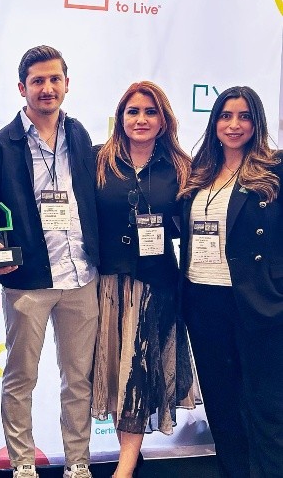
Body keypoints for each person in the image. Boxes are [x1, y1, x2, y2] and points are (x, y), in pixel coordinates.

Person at [0, 45, 99, 478]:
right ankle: (22, 463)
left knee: (78, 379)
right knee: (21, 377)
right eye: (38, 81)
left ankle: (78, 462)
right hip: (27, 279)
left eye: (54, 79)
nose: (47, 88)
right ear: (21, 87)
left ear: (67, 84)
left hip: (81, 277)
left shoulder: (79, 135)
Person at [91, 82, 198, 477]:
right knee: (113, 371)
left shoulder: (182, 168)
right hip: (106, 284)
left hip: (155, 286)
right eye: (133, 111)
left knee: (139, 372)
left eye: (150, 112)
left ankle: (124, 466)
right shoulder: (97, 160)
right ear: (120, 117)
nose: (141, 119)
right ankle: (125, 458)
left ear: (163, 120)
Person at [178, 86, 283, 477]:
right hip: (203, 302)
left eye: (244, 116)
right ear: (214, 122)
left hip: (257, 302)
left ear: (256, 122)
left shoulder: (274, 170)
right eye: (225, 116)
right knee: (221, 405)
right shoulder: (198, 173)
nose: (234, 125)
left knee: (266, 406)